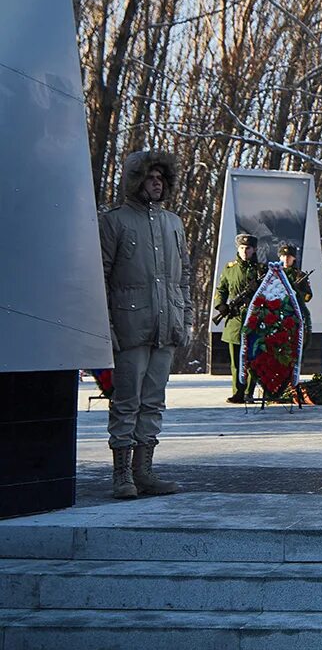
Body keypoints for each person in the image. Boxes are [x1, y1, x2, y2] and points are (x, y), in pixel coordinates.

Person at [99, 150, 192, 499]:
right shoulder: (115, 221)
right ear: (136, 181)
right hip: (129, 325)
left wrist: (184, 316)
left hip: (165, 326)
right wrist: (106, 325)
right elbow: (102, 277)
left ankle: (144, 471)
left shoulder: (173, 223)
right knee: (127, 401)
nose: (156, 184)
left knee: (153, 401)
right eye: (150, 178)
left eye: (161, 178)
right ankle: (121, 475)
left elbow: (182, 279)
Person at [214, 232, 266, 404]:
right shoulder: (230, 268)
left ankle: (249, 392)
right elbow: (221, 289)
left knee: (253, 357)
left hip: (254, 318)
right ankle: (238, 391)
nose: (245, 251)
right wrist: (221, 305)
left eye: (248, 248)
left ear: (254, 249)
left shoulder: (261, 270)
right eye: (242, 248)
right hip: (235, 319)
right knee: (236, 360)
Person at [278, 243, 313, 353]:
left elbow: (308, 296)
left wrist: (297, 292)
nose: (286, 259)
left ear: (294, 258)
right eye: (284, 256)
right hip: (277, 312)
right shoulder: (275, 274)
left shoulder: (299, 275)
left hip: (295, 312)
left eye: (289, 256)